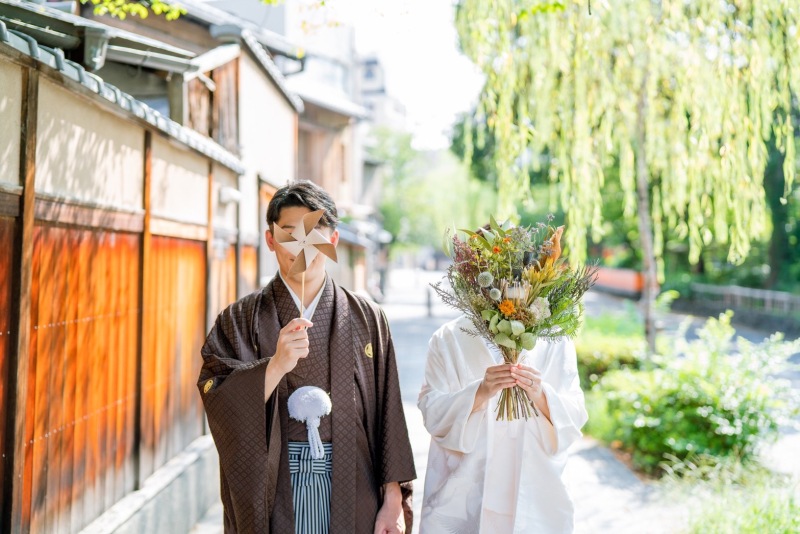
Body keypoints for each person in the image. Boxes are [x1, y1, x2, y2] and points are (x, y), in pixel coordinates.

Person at [198, 180, 416, 534]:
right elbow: (218, 398)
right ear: (271, 239)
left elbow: (387, 412)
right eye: (289, 233)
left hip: (353, 481)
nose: (302, 245)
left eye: (314, 233)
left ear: (333, 239)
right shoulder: (238, 320)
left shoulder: (368, 318)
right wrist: (274, 366)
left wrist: (392, 497)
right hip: (274, 484)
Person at [417, 316, 588, 533]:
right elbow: (431, 410)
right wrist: (479, 392)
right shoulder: (448, 337)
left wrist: (541, 394)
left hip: (535, 495)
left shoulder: (554, 339)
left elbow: (575, 414)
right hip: (463, 496)